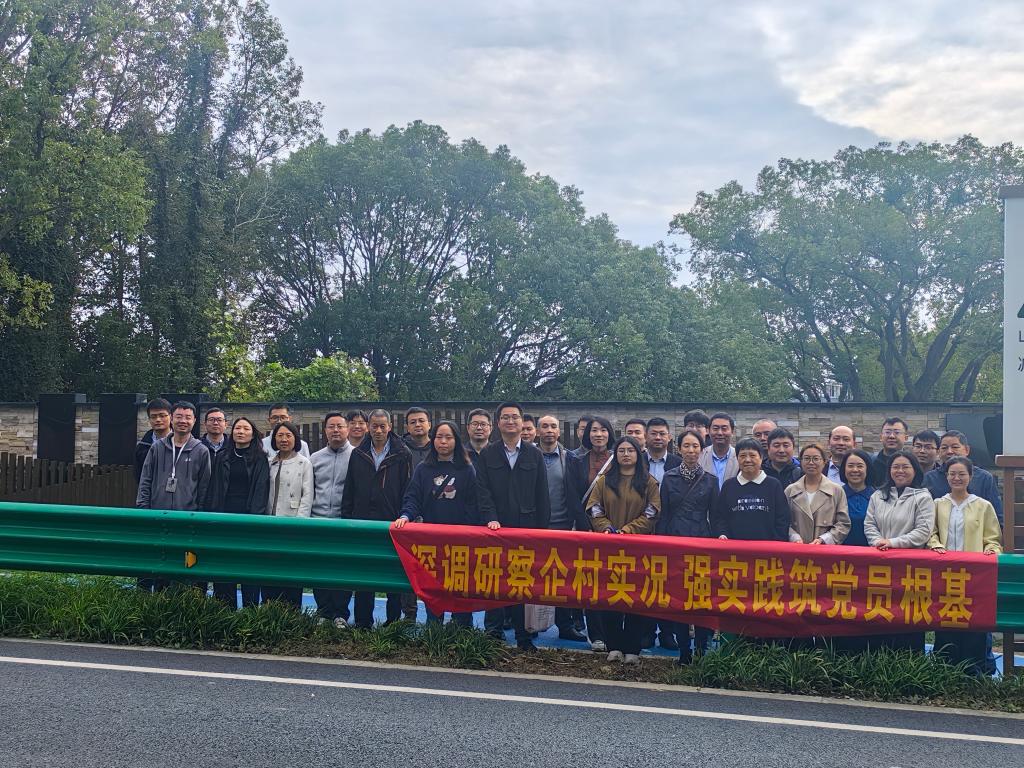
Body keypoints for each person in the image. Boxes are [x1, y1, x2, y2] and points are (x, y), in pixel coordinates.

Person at [395, 421, 499, 627]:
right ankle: (434, 630)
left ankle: (462, 629)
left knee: (461, 586)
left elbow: (473, 504)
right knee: (434, 587)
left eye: (448, 437)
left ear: (456, 441)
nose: (443, 442)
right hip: (432, 541)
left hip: (461, 541)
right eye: (439, 437)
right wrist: (406, 516)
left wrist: (465, 531)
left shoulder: (467, 469)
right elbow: (413, 497)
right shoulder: (423, 469)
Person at [476, 402, 551, 651]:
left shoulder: (534, 454)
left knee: (521, 582)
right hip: (495, 529)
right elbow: (482, 491)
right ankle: (493, 633)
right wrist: (490, 517)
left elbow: (542, 495)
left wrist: (540, 532)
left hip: (525, 530)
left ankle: (523, 636)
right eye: (505, 417)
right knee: (494, 581)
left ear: (522, 422)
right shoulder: (488, 454)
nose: (510, 421)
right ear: (498, 423)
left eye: (515, 417)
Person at [587, 436, 660, 665]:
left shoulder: (649, 482)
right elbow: (594, 507)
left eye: (630, 450)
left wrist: (628, 531)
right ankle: (614, 646)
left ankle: (632, 648)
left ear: (638, 454)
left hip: (639, 549)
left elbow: (652, 512)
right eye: (621, 451)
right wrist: (606, 529)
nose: (626, 454)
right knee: (611, 597)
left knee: (636, 598)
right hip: (609, 547)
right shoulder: (604, 481)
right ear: (615, 455)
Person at [928, 457, 1002, 675]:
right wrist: (935, 545)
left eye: (962, 474)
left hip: (974, 576)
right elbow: (931, 533)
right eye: (952, 474)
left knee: (974, 621)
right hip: (946, 574)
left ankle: (975, 671)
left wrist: (992, 550)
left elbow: (993, 538)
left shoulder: (983, 506)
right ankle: (944, 669)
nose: (957, 478)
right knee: (945, 620)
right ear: (946, 476)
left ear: (970, 476)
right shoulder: (938, 504)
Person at [341, 408, 413, 627]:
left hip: (393, 523)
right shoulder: (358, 453)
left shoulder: (402, 454)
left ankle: (393, 623)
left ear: (390, 427)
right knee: (364, 575)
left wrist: (404, 516)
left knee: (393, 575)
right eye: (374, 426)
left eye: (382, 426)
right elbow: (350, 489)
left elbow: (407, 489)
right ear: (368, 427)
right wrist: (347, 518)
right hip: (362, 522)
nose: (378, 430)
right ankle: (363, 623)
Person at [657, 429, 719, 664]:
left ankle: (702, 649)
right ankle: (684, 650)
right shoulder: (669, 478)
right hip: (675, 542)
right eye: (686, 446)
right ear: (679, 449)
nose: (691, 450)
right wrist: (662, 542)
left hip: (702, 542)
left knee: (702, 599)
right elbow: (663, 514)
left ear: (701, 450)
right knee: (679, 599)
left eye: (695, 446)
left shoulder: (711, 480)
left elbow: (716, 516)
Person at [136, 401, 212, 592]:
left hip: (187, 518)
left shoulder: (201, 451)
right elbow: (145, 479)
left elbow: (204, 487)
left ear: (194, 421)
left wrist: (198, 514)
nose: (183, 421)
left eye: (188, 417)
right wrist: (143, 509)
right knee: (155, 559)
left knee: (182, 563)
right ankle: (149, 599)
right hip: (156, 515)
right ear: (172, 418)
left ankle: (180, 600)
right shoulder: (157, 448)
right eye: (179, 416)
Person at [864, 449, 935, 653]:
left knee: (907, 614)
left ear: (915, 470)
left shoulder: (923, 497)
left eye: (905, 467)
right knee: (881, 610)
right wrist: (878, 543)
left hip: (910, 568)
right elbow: (869, 524)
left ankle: (909, 659)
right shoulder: (878, 496)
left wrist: (892, 543)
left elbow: (923, 532)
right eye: (895, 467)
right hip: (880, 564)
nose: (900, 471)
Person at [205, 416, 269, 609]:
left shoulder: (260, 458)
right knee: (224, 565)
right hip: (224, 518)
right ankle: (225, 609)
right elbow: (215, 487)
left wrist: (254, 519)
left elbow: (261, 489)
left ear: (253, 434)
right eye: (237, 428)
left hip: (249, 520)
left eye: (246, 429)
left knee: (249, 566)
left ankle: (250, 609)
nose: (241, 432)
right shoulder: (222, 456)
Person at [536, 414, 588, 643]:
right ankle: (530, 625)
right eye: (544, 426)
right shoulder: (528, 457)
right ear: (538, 431)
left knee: (563, 579)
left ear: (559, 432)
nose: (549, 430)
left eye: (553, 426)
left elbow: (577, 494)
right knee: (533, 577)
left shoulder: (571, 459)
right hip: (536, 528)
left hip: (564, 527)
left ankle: (565, 625)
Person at [309, 413, 354, 626]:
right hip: (318, 521)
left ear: (347, 429)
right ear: (325, 430)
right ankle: (323, 611)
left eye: (340, 426)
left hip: (344, 522)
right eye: (331, 426)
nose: (336, 430)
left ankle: (340, 614)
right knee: (320, 567)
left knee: (343, 567)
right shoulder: (315, 458)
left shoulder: (357, 456)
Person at [263, 422, 314, 609]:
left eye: (288, 435)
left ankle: (292, 610)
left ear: (295, 439)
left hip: (293, 522)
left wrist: (300, 523)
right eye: (280, 435)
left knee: (291, 567)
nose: (284, 439)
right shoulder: (269, 462)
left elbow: (307, 496)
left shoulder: (304, 463)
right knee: (270, 567)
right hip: (270, 523)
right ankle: (269, 607)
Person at [713, 437, 789, 541]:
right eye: (742, 456)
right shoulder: (728, 486)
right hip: (734, 547)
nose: (747, 460)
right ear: (737, 458)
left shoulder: (773, 485)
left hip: (768, 548)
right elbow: (720, 517)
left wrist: (777, 542)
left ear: (761, 457)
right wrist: (722, 533)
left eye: (752, 455)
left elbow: (782, 519)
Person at [924, 430, 1003, 524]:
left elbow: (996, 515)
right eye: (944, 448)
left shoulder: (984, 478)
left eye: (955, 447)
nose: (949, 451)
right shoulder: (930, 478)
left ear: (966, 450)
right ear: (939, 452)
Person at [785, 443, 850, 545]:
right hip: (797, 549)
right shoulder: (790, 490)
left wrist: (824, 539)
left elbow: (843, 523)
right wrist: (794, 537)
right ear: (801, 462)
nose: (811, 463)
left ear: (824, 462)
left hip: (824, 550)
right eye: (807, 458)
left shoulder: (836, 490)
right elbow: (783, 522)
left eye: (816, 459)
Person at [839, 449, 874, 547]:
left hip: (872, 551)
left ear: (867, 469)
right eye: (850, 466)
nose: (855, 470)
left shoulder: (878, 497)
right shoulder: (836, 495)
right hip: (840, 552)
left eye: (860, 466)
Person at [134, 398, 172, 483]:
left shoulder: (182, 442)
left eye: (162, 416)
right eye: (153, 417)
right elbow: (139, 476)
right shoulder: (142, 447)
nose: (158, 420)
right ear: (149, 419)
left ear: (171, 416)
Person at [700, 412, 738, 489]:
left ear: (732, 432)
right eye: (715, 428)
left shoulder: (739, 457)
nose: (720, 433)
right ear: (708, 431)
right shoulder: (700, 455)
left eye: (724, 429)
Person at [869, 417, 909, 487]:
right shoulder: (870, 463)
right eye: (887, 432)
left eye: (897, 432)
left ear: (906, 438)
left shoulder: (912, 464)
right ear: (881, 437)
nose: (891, 436)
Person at [644, 417, 680, 485]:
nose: (658, 437)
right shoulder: (638, 461)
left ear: (669, 437)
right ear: (645, 436)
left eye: (662, 434)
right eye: (653, 433)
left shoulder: (679, 464)